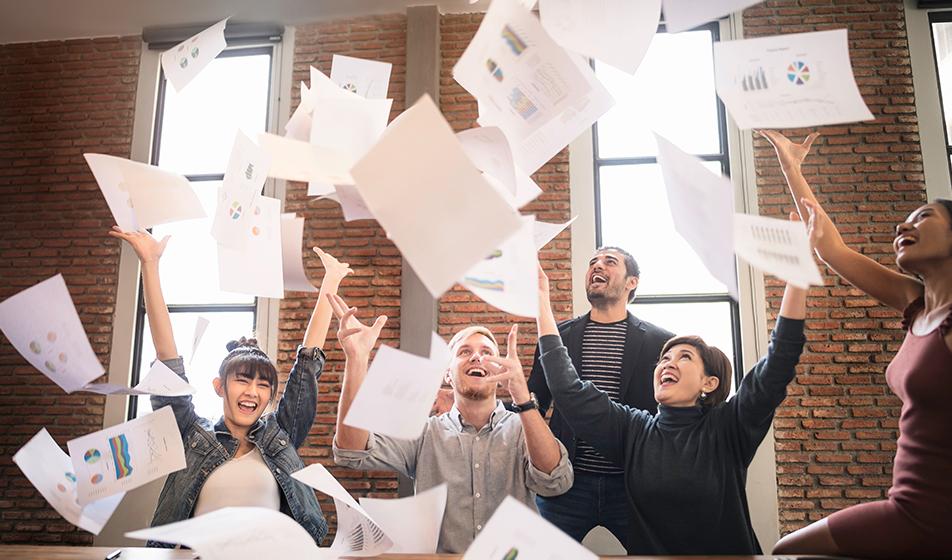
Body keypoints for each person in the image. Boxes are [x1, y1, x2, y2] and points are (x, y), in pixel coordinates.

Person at [761, 130, 952, 559]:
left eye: (923, 216)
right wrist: (790, 165)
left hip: (932, 516)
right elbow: (830, 247)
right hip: (908, 506)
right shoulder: (915, 304)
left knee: (789, 552)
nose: (904, 224)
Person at [534, 263, 808, 555]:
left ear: (709, 383)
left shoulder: (729, 426)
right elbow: (569, 390)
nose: (667, 363)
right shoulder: (634, 430)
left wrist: (798, 275)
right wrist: (540, 299)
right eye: (664, 359)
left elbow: (779, 361)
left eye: (684, 357)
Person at [109, 226, 350, 546]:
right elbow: (167, 361)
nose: (253, 391)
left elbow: (307, 366)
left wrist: (330, 282)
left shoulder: (281, 436)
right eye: (242, 380)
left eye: (264, 385)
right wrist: (150, 264)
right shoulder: (192, 433)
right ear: (219, 386)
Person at [329, 293, 573, 553]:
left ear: (500, 371)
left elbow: (556, 481)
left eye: (487, 352)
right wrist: (356, 359)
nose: (476, 358)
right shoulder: (424, 433)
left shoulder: (521, 430)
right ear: (447, 373)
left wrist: (523, 399)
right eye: (465, 352)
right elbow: (350, 451)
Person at [527, 247, 674, 549]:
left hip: (631, 485)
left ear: (632, 281)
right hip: (566, 484)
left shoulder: (660, 342)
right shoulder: (557, 336)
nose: (598, 265)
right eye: (592, 261)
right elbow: (534, 403)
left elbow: (671, 414)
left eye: (610, 261)